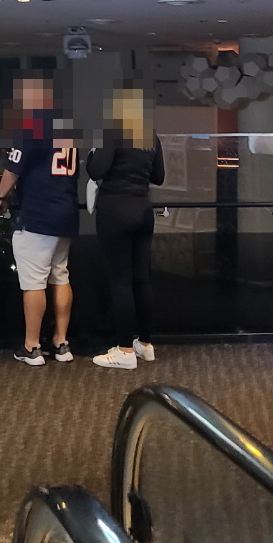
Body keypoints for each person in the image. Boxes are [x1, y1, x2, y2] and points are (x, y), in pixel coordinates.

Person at [0, 71, 79, 367]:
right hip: (66, 210)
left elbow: (13, 168)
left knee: (34, 282)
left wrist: (0, 198)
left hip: (39, 214)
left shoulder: (32, 125)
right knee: (61, 276)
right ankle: (61, 342)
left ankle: (32, 346)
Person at [88, 85, 164, 371]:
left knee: (120, 282)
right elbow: (159, 176)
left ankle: (123, 350)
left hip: (116, 211)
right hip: (143, 211)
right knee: (141, 280)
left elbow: (97, 170)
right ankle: (145, 344)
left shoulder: (113, 132)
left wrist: (92, 154)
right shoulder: (150, 136)